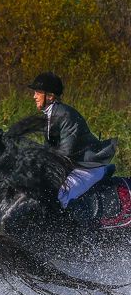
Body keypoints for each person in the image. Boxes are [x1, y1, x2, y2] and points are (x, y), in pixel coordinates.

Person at [28, 71, 116, 208]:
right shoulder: (50, 115)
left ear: (50, 96)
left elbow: (65, 152)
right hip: (74, 165)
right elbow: (49, 150)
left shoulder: (65, 115)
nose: (34, 96)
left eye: (38, 92)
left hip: (88, 166)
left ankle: (73, 230)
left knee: (61, 195)